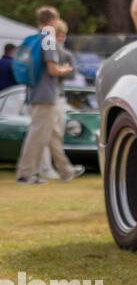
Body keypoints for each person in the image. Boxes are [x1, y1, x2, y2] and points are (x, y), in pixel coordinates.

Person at [16, 17, 84, 184]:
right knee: (37, 136)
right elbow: (53, 69)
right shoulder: (48, 40)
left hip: (36, 94)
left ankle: (66, 170)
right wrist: (65, 69)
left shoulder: (34, 40)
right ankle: (26, 174)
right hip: (46, 96)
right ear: (52, 22)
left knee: (53, 136)